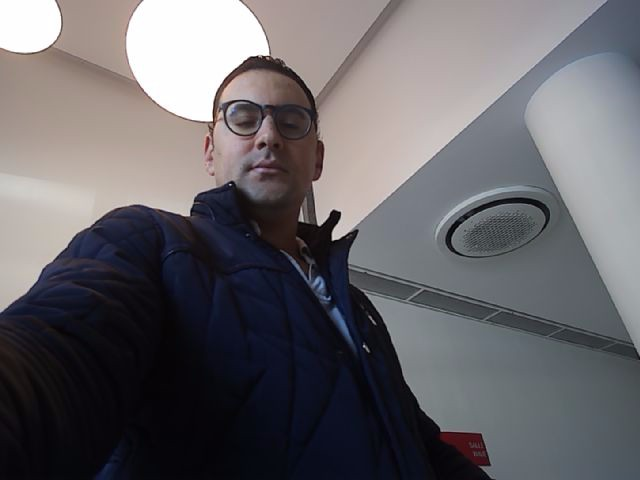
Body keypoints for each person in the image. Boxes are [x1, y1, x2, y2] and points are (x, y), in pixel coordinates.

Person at [0, 56, 490, 479]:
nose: (268, 137)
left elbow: (417, 440)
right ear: (210, 151)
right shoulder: (147, 239)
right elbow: (60, 343)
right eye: (243, 118)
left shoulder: (355, 305)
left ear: (317, 159)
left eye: (291, 121)